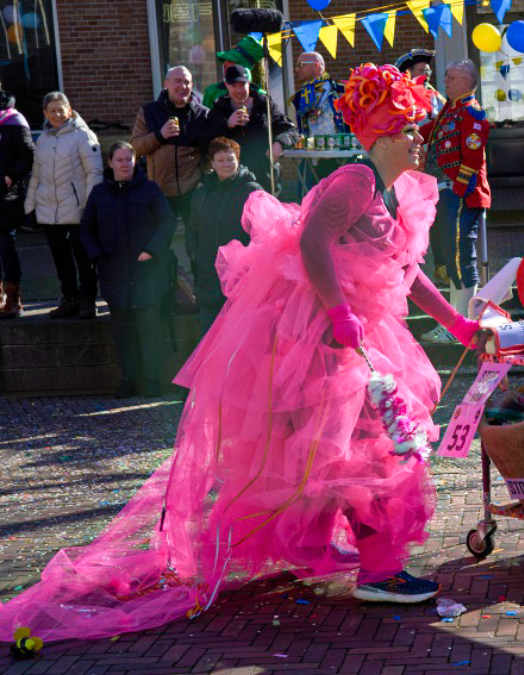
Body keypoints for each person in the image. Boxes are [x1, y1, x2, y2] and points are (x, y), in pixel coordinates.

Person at [0, 63, 482, 643]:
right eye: (409, 128)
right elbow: (311, 243)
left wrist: (459, 325)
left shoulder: (387, 188)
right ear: (380, 133)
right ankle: (379, 572)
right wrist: (338, 312)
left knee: (344, 452)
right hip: (324, 345)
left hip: (351, 340)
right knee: (374, 451)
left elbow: (406, 270)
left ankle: (316, 547)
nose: (419, 138)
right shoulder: (355, 180)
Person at [78, 142, 176, 398]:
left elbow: (167, 221)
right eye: (119, 160)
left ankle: (152, 381)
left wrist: (153, 250)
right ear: (110, 163)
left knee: (150, 330)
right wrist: (97, 255)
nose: (124, 164)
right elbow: (86, 228)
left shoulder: (150, 190)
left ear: (135, 162)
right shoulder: (99, 194)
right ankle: (127, 381)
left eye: (128, 159)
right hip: (115, 274)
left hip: (148, 273)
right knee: (123, 333)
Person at [419, 59, 490, 343]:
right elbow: (429, 133)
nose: (445, 81)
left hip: (460, 193)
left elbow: (472, 158)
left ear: (464, 82)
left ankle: (463, 324)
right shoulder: (451, 109)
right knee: (448, 258)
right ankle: (453, 322)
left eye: (450, 77)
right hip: (442, 192)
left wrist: (458, 191)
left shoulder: (471, 112)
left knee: (460, 257)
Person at [26, 92, 104, 319]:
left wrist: (90, 207)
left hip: (78, 210)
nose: (57, 114)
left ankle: (88, 300)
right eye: (52, 110)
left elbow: (94, 173)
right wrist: (30, 206)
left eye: (61, 109)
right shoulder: (43, 139)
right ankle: (70, 299)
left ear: (69, 110)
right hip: (49, 210)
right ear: (45, 113)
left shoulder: (83, 135)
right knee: (61, 261)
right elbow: (36, 176)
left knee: (84, 259)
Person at [186, 137, 263, 332]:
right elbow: (192, 227)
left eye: (230, 159)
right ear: (212, 163)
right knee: (208, 336)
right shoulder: (201, 193)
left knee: (239, 338)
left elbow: (263, 232)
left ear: (238, 160)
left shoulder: (251, 191)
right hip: (208, 276)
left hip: (241, 280)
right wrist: (194, 252)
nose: (226, 164)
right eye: (220, 160)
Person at [131, 66, 217, 228]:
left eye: (187, 82)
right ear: (166, 83)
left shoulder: (203, 114)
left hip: (193, 190)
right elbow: (135, 148)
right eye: (178, 81)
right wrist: (159, 135)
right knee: (160, 245)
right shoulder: (149, 112)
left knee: (196, 242)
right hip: (159, 191)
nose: (183, 86)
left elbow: (213, 150)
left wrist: (204, 180)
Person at [210, 65, 298, 193]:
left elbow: (290, 130)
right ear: (226, 86)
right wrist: (227, 124)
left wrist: (279, 144)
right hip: (232, 182)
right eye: (234, 86)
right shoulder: (220, 108)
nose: (239, 90)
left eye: (242, 85)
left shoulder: (264, 105)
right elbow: (205, 140)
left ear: (249, 84)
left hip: (265, 178)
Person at [0, 85, 33, 319]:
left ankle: (13, 297)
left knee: (5, 244)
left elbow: (27, 155)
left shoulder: (13, 119)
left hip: (5, 195)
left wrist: (9, 178)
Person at [291, 51, 348, 182]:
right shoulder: (297, 98)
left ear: (316, 66)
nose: (297, 69)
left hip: (342, 159)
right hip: (311, 162)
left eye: (301, 65)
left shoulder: (342, 92)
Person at [202, 35, 265, 108]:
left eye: (230, 61)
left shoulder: (261, 97)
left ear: (242, 66)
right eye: (225, 60)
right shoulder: (212, 92)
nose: (224, 64)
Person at [396, 48, 447, 115]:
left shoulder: (434, 95)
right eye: (422, 70)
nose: (427, 74)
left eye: (428, 70)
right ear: (408, 72)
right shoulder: (400, 95)